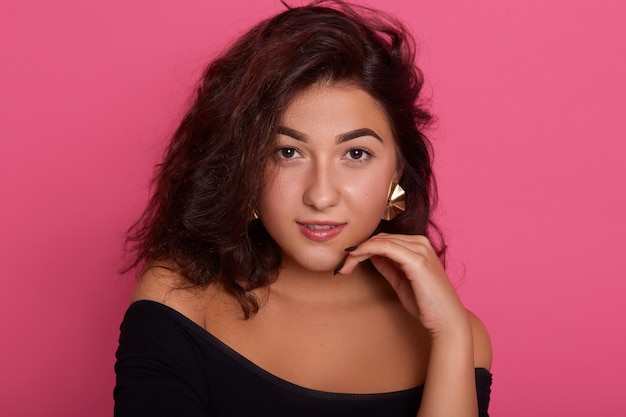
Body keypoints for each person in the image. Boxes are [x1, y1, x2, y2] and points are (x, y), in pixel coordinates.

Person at [114, 1, 493, 416]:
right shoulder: (182, 298)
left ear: (395, 173)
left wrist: (452, 335)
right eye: (288, 152)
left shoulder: (456, 335)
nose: (321, 195)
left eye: (356, 154)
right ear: (245, 166)